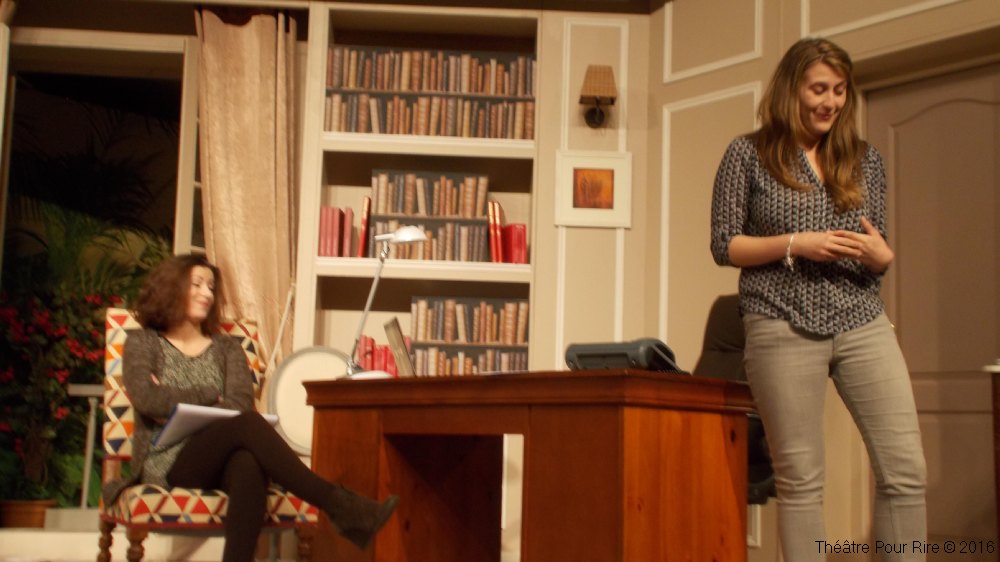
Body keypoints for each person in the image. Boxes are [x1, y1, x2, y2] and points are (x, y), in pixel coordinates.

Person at [710, 38, 926, 561]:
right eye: (819, 89)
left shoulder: (864, 159)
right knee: (802, 480)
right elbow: (724, 244)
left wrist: (882, 256)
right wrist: (795, 243)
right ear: (792, 90)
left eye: (840, 90)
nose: (831, 101)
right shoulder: (748, 153)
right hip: (780, 321)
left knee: (906, 471)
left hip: (860, 318)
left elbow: (876, 243)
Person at [102, 253, 398, 562]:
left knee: (248, 464)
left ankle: (339, 511)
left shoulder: (227, 348)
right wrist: (209, 394)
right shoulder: (144, 343)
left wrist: (173, 397)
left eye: (211, 287)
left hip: (222, 455)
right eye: (197, 284)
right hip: (169, 461)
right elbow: (148, 398)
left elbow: (239, 403)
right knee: (249, 424)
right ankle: (340, 505)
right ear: (171, 287)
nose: (207, 293)